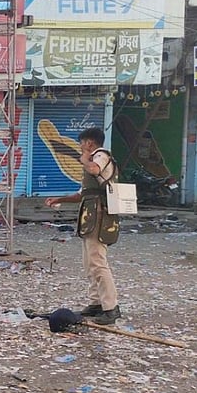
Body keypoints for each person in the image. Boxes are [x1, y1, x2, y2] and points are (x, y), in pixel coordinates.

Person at [44, 127, 121, 325]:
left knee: (98, 262)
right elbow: (82, 193)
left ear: (89, 143)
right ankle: (96, 303)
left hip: (100, 216)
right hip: (90, 216)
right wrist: (58, 199)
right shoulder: (92, 163)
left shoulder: (101, 156)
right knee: (89, 263)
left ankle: (111, 308)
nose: (80, 148)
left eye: (81, 144)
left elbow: (94, 169)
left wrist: (85, 158)